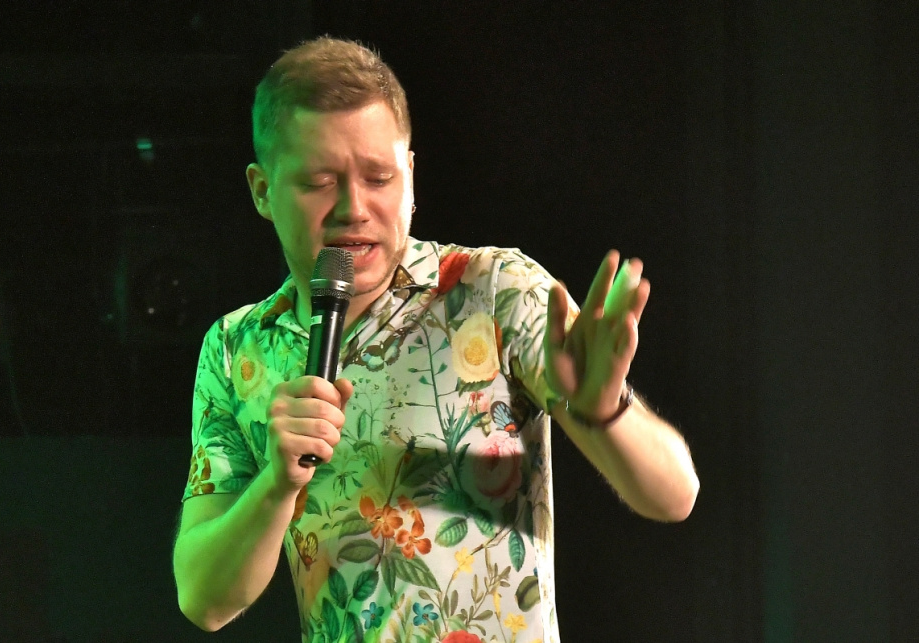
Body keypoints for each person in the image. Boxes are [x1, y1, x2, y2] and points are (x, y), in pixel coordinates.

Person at [172, 37, 698, 642]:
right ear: (262, 190)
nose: (354, 207)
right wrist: (276, 485)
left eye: (379, 177)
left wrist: (605, 410)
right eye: (319, 181)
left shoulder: (494, 290)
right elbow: (203, 600)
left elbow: (675, 496)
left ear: (412, 178)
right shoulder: (236, 347)